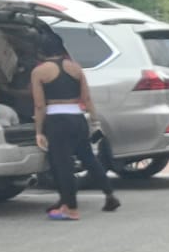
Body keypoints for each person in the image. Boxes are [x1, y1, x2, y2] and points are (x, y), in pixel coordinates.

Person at [30, 36, 118, 220]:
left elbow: (39, 105)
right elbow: (87, 99)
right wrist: (95, 122)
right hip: (77, 117)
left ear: (42, 52)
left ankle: (70, 208)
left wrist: (39, 131)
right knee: (88, 158)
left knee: (62, 164)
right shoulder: (76, 68)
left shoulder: (39, 72)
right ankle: (109, 194)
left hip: (56, 119)